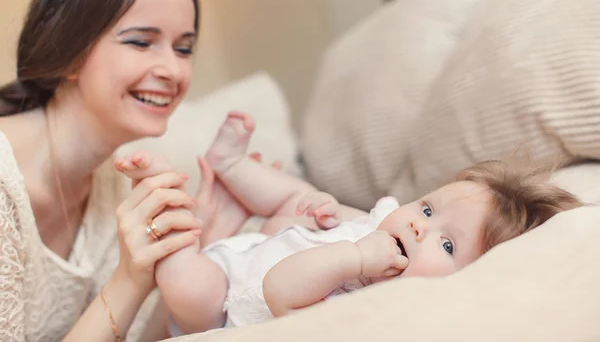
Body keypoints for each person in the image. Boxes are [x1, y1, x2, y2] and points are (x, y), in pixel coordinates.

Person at [116, 111, 582, 336]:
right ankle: (231, 163)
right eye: (426, 209)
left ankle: (161, 193)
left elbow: (279, 289)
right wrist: (328, 213)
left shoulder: (372, 303)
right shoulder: (383, 224)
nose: (421, 227)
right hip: (263, 242)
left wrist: (354, 257)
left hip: (224, 297)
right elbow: (343, 217)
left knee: (185, 284)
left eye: (447, 246)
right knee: (300, 196)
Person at [0, 0, 211, 340]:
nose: (172, 69)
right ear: (70, 52)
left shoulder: (114, 181)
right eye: (140, 42)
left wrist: (199, 241)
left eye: (184, 48)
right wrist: (128, 279)